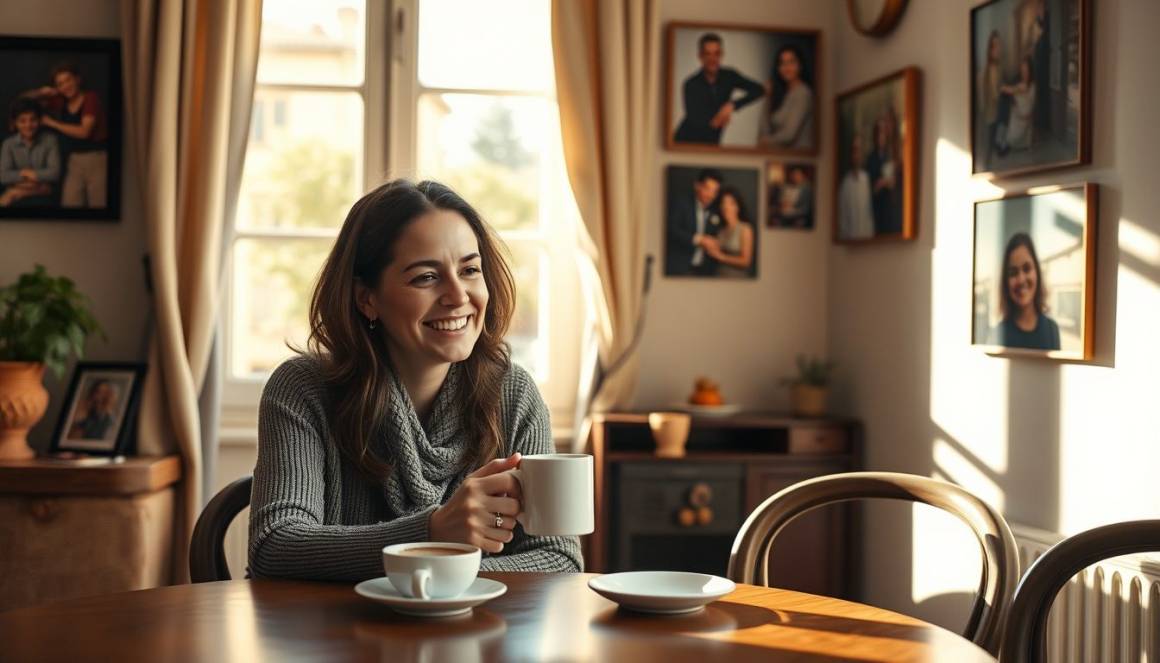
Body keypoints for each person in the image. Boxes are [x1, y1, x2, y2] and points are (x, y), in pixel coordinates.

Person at [248, 179, 583, 581]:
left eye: (470, 270)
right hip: (332, 638)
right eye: (426, 277)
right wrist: (432, 534)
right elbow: (276, 547)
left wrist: (438, 575)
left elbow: (558, 561)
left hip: (473, 638)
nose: (458, 296)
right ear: (366, 298)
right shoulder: (303, 389)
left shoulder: (513, 394)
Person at [23, 63, 109, 207]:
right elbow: (24, 100)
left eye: (68, 80)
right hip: (74, 160)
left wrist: (52, 123)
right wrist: (41, 92)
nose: (65, 86)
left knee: (98, 205)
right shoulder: (61, 101)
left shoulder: (90, 98)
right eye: (60, 84)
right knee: (70, 205)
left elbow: (84, 132)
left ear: (77, 79)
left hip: (97, 159)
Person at [673, 33, 765, 145]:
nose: (713, 59)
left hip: (713, 142)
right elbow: (695, 120)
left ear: (722, 55)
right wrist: (719, 118)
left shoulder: (729, 76)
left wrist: (732, 105)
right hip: (685, 142)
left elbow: (759, 90)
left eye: (717, 53)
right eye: (708, 54)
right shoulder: (690, 84)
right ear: (700, 56)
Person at [990, 232, 1060, 350]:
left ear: (1037, 272)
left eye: (1027, 269)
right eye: (1013, 272)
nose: (1021, 279)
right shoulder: (997, 334)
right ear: (1005, 282)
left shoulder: (1052, 330)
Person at [0, 98, 60, 207]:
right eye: (22, 121)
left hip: (45, 199)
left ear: (39, 120)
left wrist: (17, 184)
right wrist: (27, 174)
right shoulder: (8, 144)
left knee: (9, 195)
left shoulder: (50, 140)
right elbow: (3, 176)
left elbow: (54, 173)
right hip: (39, 190)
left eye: (33, 120)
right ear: (15, 123)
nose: (28, 125)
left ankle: (17, 192)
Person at [665, 168, 722, 276]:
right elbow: (671, 229)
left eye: (714, 191)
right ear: (697, 186)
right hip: (679, 268)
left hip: (705, 272)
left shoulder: (716, 210)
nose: (710, 195)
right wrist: (699, 239)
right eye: (707, 189)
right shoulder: (681, 203)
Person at [762, 45, 814, 149]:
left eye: (791, 62)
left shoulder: (803, 93)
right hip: (781, 157)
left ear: (800, 65)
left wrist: (765, 141)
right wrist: (767, 97)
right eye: (782, 63)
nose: (787, 67)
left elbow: (788, 135)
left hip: (800, 158)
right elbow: (765, 130)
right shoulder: (783, 94)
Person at [698, 186, 754, 278]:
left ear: (738, 207)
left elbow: (746, 261)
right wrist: (707, 243)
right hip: (718, 277)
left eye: (731, 203)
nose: (726, 207)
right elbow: (713, 251)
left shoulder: (745, 228)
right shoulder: (720, 230)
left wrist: (721, 257)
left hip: (737, 279)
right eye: (723, 203)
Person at [865, 114, 900, 234]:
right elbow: (870, 189)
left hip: (889, 208)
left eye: (883, 133)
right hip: (876, 209)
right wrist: (882, 183)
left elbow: (894, 183)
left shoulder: (889, 157)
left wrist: (889, 182)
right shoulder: (871, 159)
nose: (881, 137)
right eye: (879, 133)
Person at [838, 135, 874, 240]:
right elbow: (842, 219)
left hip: (867, 242)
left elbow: (870, 215)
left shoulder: (867, 180)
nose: (857, 155)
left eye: (859, 150)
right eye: (854, 151)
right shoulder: (845, 184)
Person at [998, 57, 1036, 154]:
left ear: (1030, 71)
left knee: (1012, 136)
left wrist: (1002, 87)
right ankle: (1005, 139)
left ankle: (1007, 141)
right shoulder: (1021, 83)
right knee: (1007, 105)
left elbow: (1010, 90)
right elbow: (1011, 91)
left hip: (1024, 118)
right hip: (1018, 115)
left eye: (1026, 70)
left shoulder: (1029, 86)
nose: (1024, 73)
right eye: (1022, 70)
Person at [978, 30, 1004, 167]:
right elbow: (995, 94)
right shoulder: (992, 68)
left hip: (991, 114)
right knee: (989, 146)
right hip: (991, 114)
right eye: (995, 46)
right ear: (990, 49)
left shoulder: (994, 67)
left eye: (999, 45)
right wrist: (1007, 90)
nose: (998, 49)